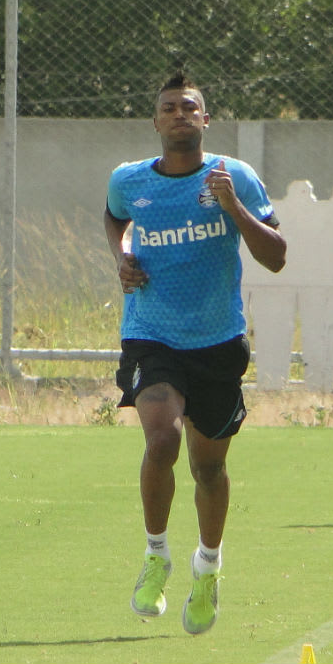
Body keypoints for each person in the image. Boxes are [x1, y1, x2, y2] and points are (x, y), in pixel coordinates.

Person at [103, 71, 286, 634]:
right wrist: (121, 255)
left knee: (210, 468)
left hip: (217, 341)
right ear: (155, 122)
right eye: (169, 108)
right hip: (152, 335)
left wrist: (235, 209)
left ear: (206, 120)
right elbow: (114, 217)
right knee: (163, 437)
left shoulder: (235, 177)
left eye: (190, 108)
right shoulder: (130, 181)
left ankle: (207, 567)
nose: (180, 115)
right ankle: (156, 554)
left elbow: (276, 256)